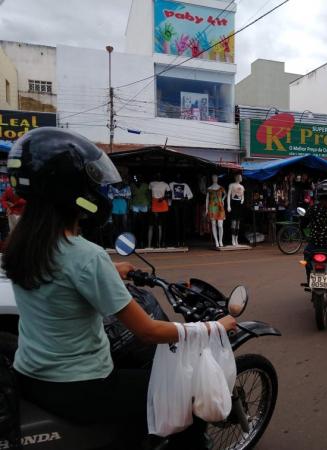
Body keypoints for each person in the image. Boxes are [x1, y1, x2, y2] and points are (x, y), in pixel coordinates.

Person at [1, 128, 236, 449]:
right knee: (185, 396)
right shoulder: (86, 256)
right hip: (80, 386)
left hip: (30, 376)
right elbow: (149, 332)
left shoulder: (21, 244)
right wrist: (211, 328)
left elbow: (59, 277)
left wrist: (112, 270)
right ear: (73, 190)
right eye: (92, 182)